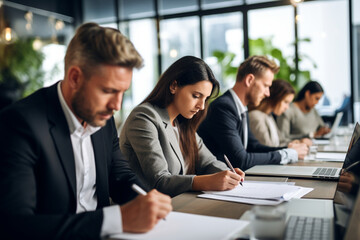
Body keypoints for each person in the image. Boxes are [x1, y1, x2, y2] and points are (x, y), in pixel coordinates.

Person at [0, 23, 172, 240]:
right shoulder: (19, 124)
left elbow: (120, 177)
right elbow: (15, 226)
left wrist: (149, 200)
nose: (116, 105)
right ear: (75, 78)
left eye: (122, 92)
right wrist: (117, 219)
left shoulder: (102, 117)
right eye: (108, 91)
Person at [120, 56, 244, 197]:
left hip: (175, 203)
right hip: (142, 208)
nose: (202, 106)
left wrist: (228, 174)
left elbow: (208, 162)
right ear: (174, 86)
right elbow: (160, 181)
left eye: (205, 99)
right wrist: (206, 181)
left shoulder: (181, 122)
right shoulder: (144, 117)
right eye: (196, 96)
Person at [197, 56, 308, 171]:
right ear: (249, 80)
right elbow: (241, 160)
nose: (268, 93)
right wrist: (286, 154)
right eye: (266, 86)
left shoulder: (240, 107)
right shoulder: (224, 107)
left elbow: (253, 146)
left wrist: (288, 149)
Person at [249, 79, 312, 147]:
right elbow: (268, 148)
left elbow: (281, 141)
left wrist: (298, 142)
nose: (287, 107)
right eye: (285, 102)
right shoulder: (256, 117)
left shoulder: (269, 116)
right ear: (275, 98)